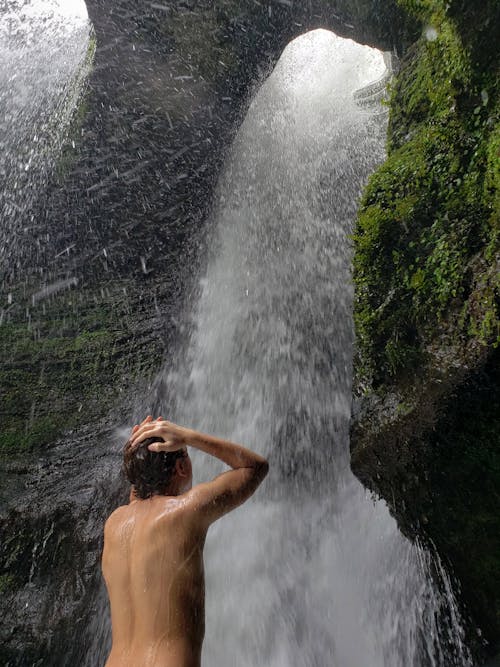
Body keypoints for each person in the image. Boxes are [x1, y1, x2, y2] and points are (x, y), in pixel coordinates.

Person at [101, 415, 269, 667]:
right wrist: (188, 436)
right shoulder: (185, 512)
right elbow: (255, 467)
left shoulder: (114, 524)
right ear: (182, 468)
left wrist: (136, 453)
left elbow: (139, 491)